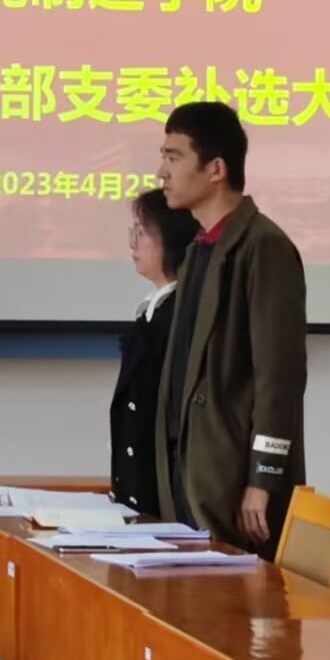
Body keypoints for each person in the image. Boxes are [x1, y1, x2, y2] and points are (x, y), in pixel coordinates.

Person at [154, 101, 307, 557]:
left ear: (216, 169)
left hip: (233, 484)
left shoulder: (264, 247)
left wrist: (263, 479)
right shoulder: (198, 250)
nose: (162, 172)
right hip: (188, 474)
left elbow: (280, 377)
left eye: (174, 157)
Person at [110, 188, 200, 516]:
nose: (133, 244)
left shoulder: (182, 315)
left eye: (144, 231)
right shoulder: (151, 310)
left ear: (173, 238)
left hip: (166, 493)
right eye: (133, 231)